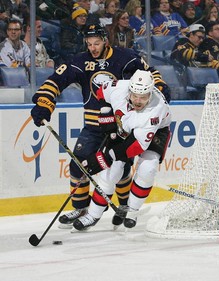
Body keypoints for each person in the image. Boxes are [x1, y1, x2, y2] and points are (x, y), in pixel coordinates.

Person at [30, 24, 171, 229]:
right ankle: (81, 207)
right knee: (78, 164)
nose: (93, 48)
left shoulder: (125, 57)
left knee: (120, 167)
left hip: (121, 124)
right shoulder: (80, 62)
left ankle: (123, 206)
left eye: (96, 43)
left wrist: (159, 86)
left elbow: (149, 73)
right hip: (93, 124)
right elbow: (55, 81)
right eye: (89, 44)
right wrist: (44, 102)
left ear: (105, 40)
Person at [72, 70, 172, 230]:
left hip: (156, 131)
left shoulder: (155, 110)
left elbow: (136, 146)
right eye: (135, 96)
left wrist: (106, 157)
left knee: (148, 168)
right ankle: (93, 214)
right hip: (126, 126)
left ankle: (132, 211)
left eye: (143, 97)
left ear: (150, 94)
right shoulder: (119, 87)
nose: (138, 101)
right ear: (129, 90)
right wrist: (106, 114)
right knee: (110, 172)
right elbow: (100, 93)